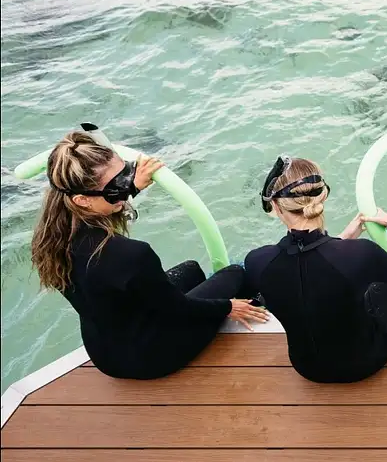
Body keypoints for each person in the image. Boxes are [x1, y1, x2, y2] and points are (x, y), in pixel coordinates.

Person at [29, 131, 267, 380]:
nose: (125, 186)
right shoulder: (131, 255)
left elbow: (102, 209)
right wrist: (228, 307)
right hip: (151, 357)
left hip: (105, 353)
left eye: (125, 175)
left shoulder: (49, 241)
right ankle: (254, 310)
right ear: (82, 200)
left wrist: (129, 189)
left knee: (191, 270)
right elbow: (178, 308)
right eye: (116, 187)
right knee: (235, 273)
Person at [244, 156, 387, 383]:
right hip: (364, 362)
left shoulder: (257, 262)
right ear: (322, 197)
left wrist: (343, 239)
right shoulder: (359, 253)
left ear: (278, 207)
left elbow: (308, 268)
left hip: (306, 368)